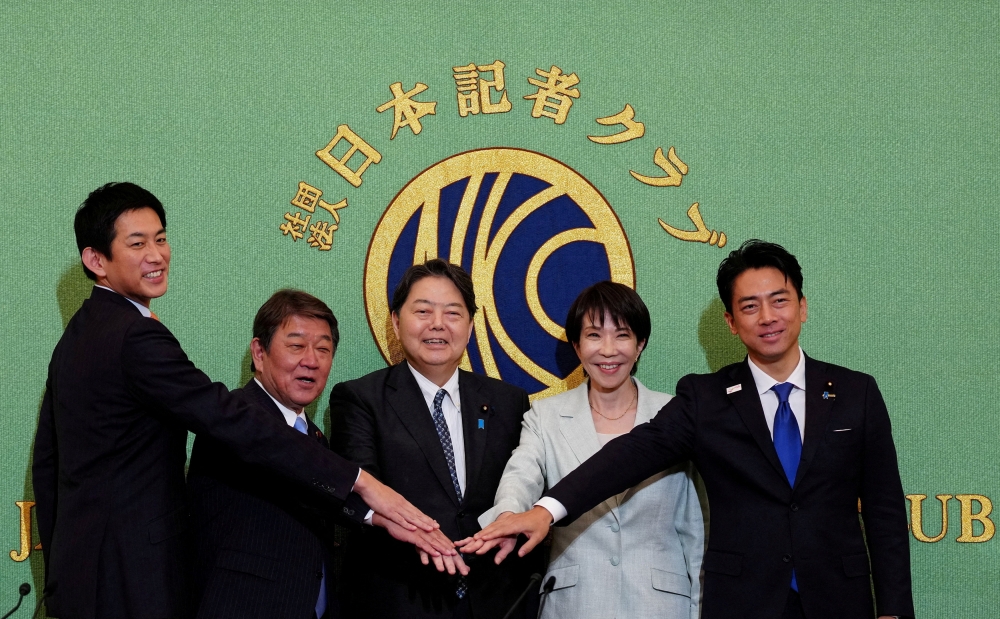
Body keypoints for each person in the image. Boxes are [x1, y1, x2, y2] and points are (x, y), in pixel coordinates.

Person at [31, 183, 452, 619]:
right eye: (137, 244)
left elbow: (49, 465)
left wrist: (65, 566)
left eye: (161, 238)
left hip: (83, 577)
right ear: (96, 260)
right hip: (132, 578)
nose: (156, 255)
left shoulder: (77, 336)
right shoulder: (135, 335)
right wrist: (362, 482)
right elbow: (228, 418)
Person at [473, 240, 914, 619]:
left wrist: (893, 609)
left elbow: (885, 512)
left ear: (802, 307)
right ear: (731, 322)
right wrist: (546, 511)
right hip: (744, 603)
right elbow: (629, 454)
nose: (767, 316)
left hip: (839, 599)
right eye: (749, 306)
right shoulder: (706, 399)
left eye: (779, 301)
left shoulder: (856, 393)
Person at [463, 282, 704, 619]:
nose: (608, 350)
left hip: (662, 606)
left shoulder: (676, 415)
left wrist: (699, 607)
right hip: (574, 604)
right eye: (594, 335)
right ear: (577, 346)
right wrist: (509, 518)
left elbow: (696, 527)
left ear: (640, 344)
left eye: (622, 335)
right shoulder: (544, 416)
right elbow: (520, 477)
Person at [329, 258, 538, 619]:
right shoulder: (360, 398)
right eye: (423, 311)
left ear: (470, 326)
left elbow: (525, 487)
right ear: (396, 322)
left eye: (453, 313)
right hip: (401, 599)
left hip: (494, 601)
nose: (437, 324)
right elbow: (358, 493)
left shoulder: (509, 401)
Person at [188, 290, 364, 618]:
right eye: (296, 346)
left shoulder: (315, 438)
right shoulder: (233, 419)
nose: (311, 360)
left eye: (323, 349)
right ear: (259, 352)